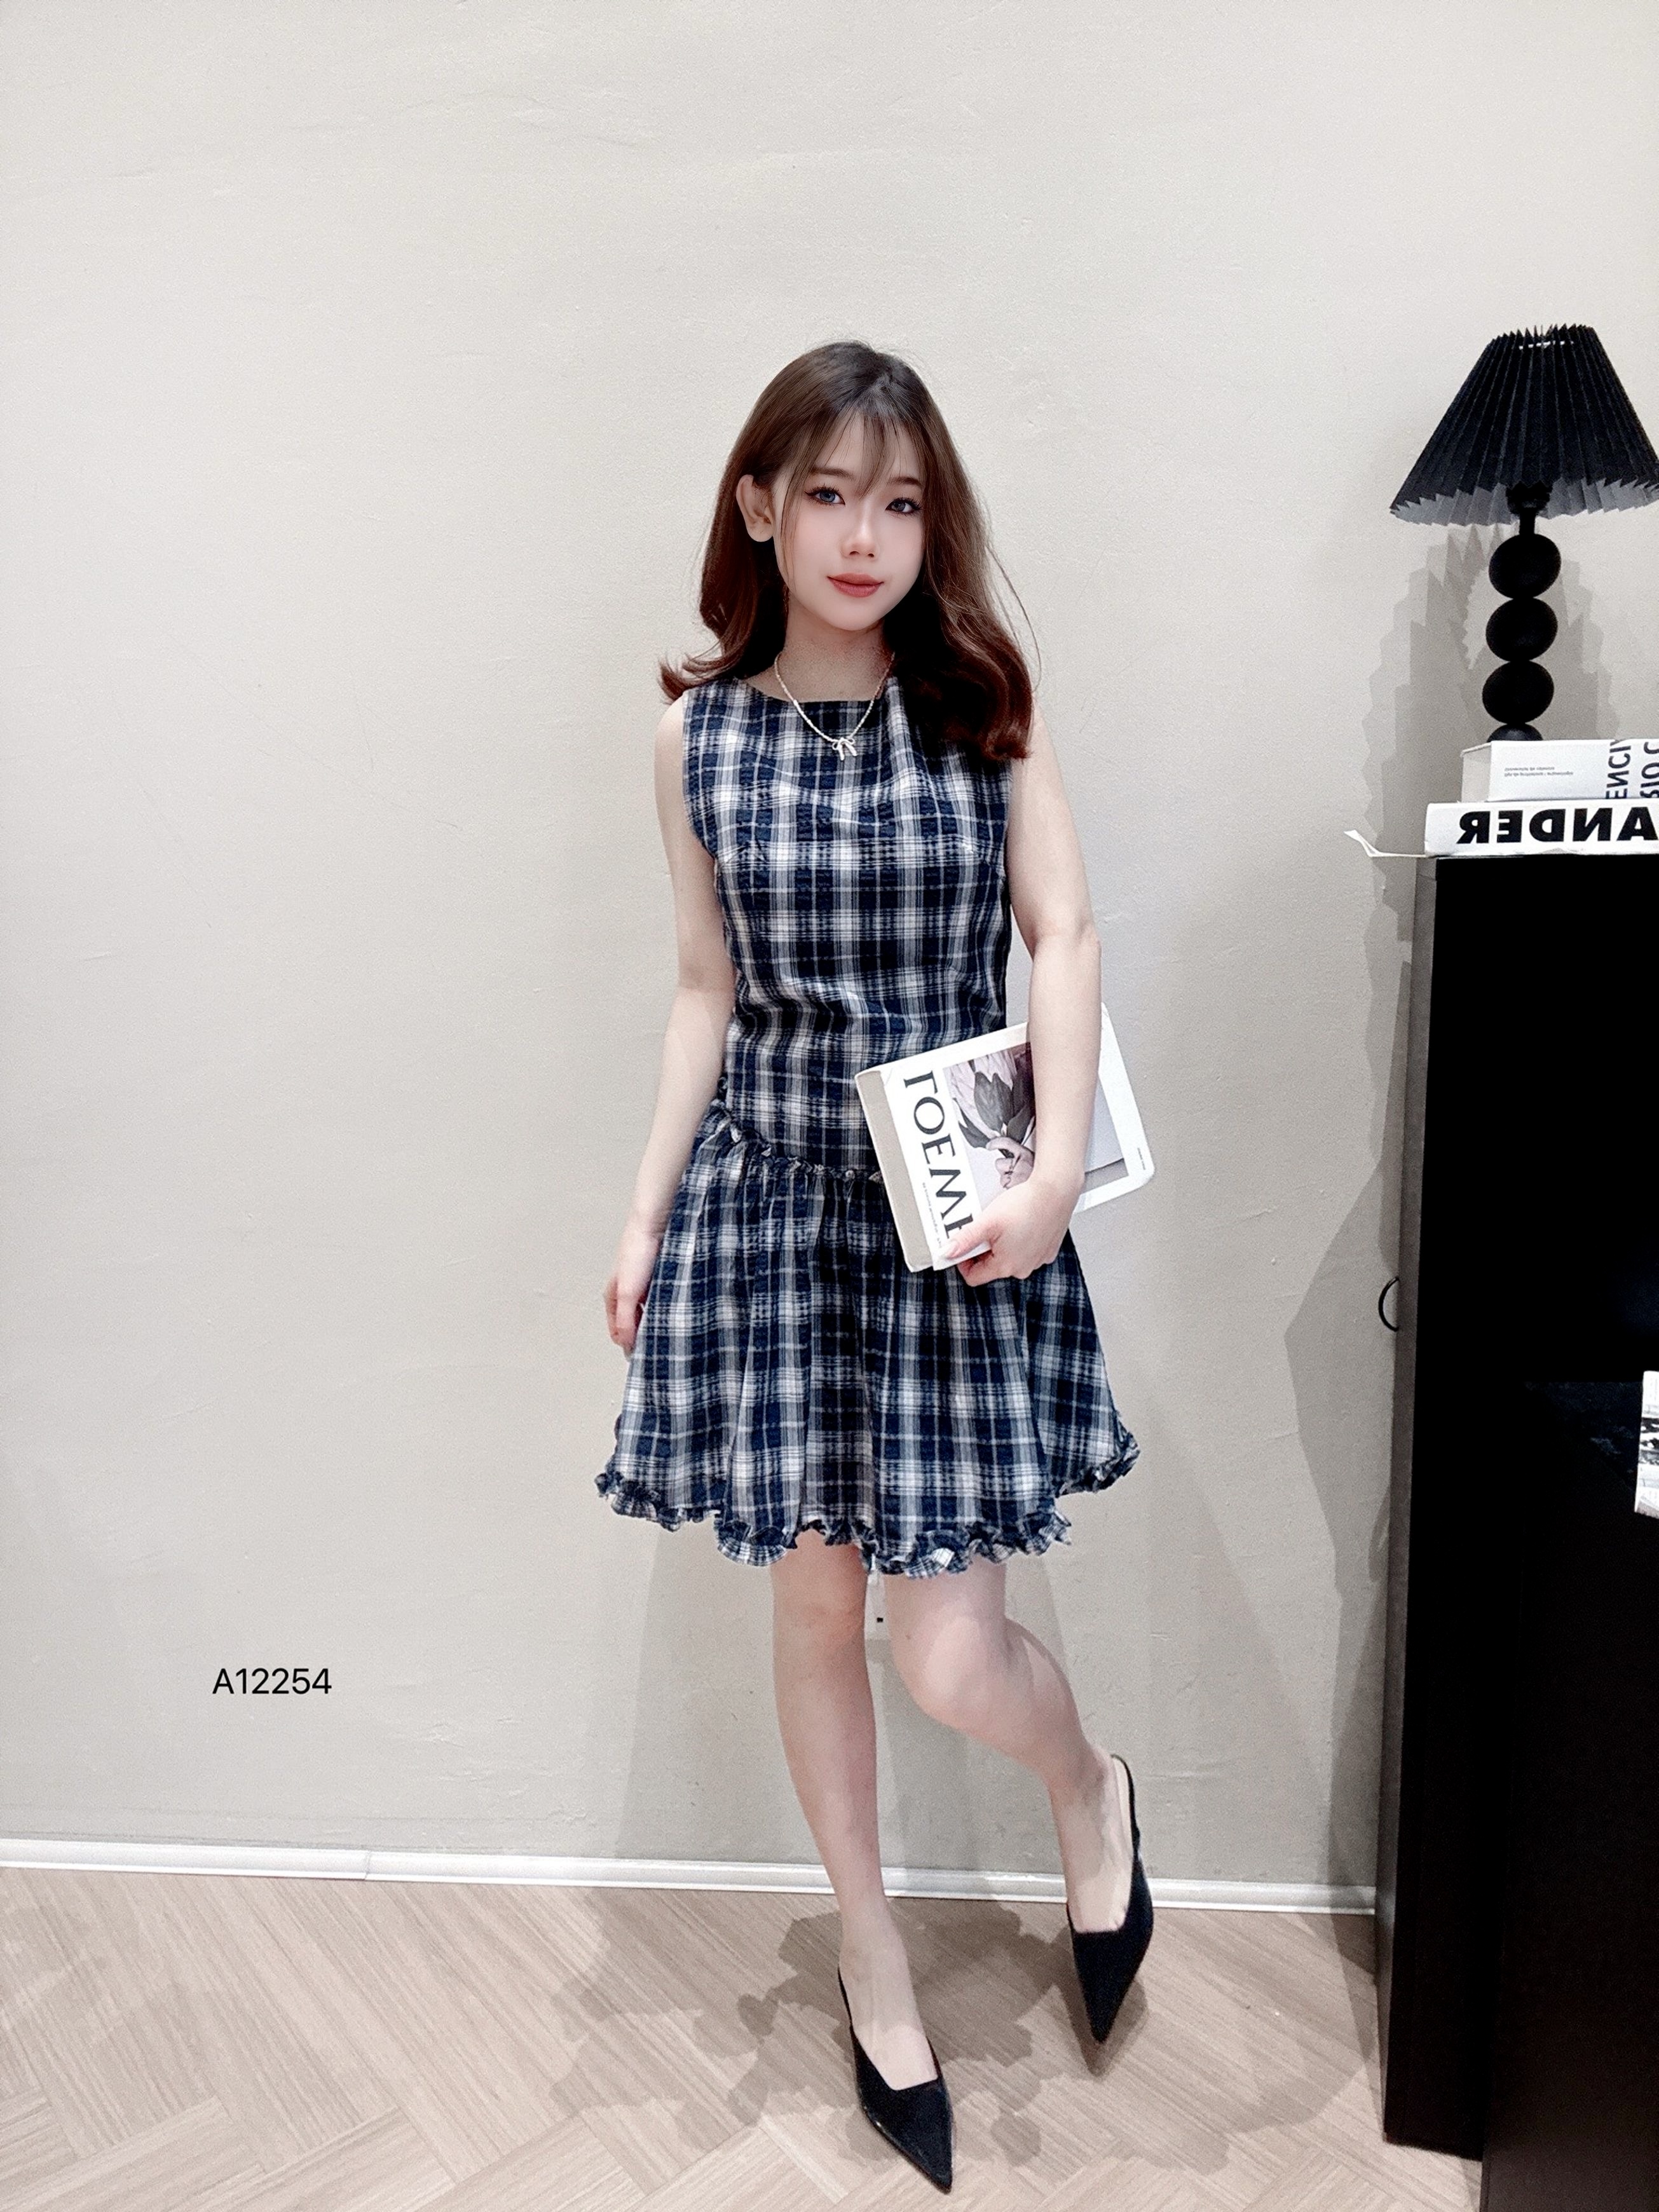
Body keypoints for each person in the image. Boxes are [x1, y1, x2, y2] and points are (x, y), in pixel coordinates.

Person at [598, 339, 1150, 2191]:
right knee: (816, 1613)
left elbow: (1063, 932)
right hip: (771, 1216)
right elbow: (703, 990)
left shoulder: (982, 703)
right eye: (826, 493)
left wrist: (1055, 1173)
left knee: (951, 1654)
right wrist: (645, 1213)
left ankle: (1088, 1787)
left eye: (899, 501)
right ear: (759, 506)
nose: (862, 534)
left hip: (951, 1222)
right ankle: (870, 1946)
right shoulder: (696, 739)